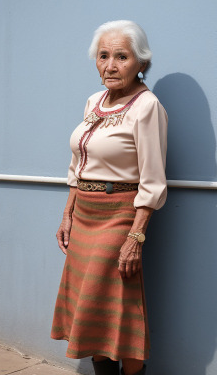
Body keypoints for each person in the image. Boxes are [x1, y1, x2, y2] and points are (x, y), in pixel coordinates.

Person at [51, 20, 168, 375]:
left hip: (119, 215)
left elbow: (153, 179)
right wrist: (67, 214)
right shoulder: (93, 101)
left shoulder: (146, 106)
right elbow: (78, 165)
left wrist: (136, 236)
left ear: (141, 63)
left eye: (121, 56)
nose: (110, 65)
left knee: (120, 310)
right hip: (84, 215)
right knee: (92, 313)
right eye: (103, 56)